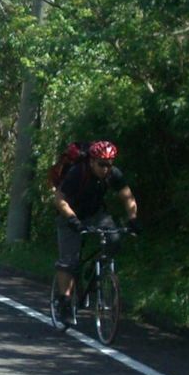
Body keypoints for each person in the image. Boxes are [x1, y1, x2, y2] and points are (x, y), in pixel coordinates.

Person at [51, 139, 139, 327]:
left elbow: (128, 197)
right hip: (69, 215)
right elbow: (59, 199)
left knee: (114, 240)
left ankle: (96, 268)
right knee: (69, 261)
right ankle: (64, 303)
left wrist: (133, 219)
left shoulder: (113, 174)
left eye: (109, 164)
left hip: (95, 214)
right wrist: (72, 219)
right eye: (102, 164)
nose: (106, 168)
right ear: (92, 161)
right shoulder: (77, 173)